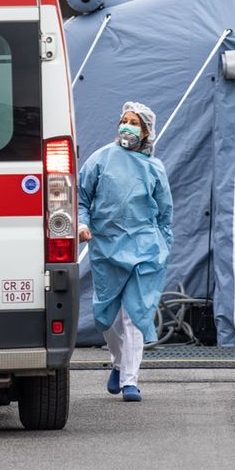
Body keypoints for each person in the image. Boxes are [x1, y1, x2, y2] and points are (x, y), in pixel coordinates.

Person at [78, 101, 173, 401]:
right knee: (106, 317)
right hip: (107, 246)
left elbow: (165, 215)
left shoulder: (154, 168)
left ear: (146, 132)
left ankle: (130, 381)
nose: (127, 126)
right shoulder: (100, 159)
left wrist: (163, 246)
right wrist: (82, 224)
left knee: (135, 315)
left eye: (134, 122)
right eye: (124, 120)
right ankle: (119, 362)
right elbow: (81, 198)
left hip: (144, 249)